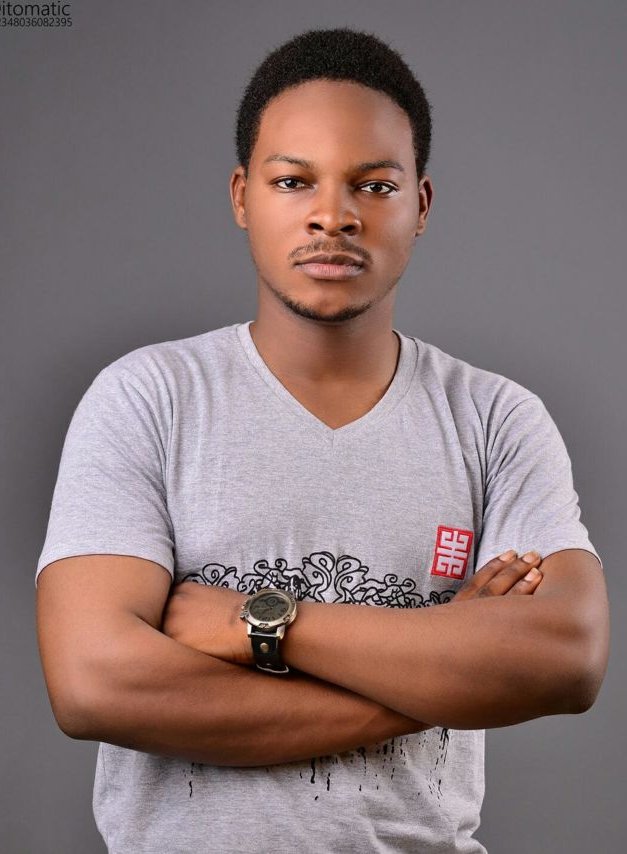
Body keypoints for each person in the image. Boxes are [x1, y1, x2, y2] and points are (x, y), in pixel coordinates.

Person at [35, 26, 609, 854]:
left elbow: (568, 657)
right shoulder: (148, 399)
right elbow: (95, 685)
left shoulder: (495, 419)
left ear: (421, 205)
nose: (333, 215)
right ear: (243, 196)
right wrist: (443, 671)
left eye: (374, 185)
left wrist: (260, 624)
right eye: (293, 180)